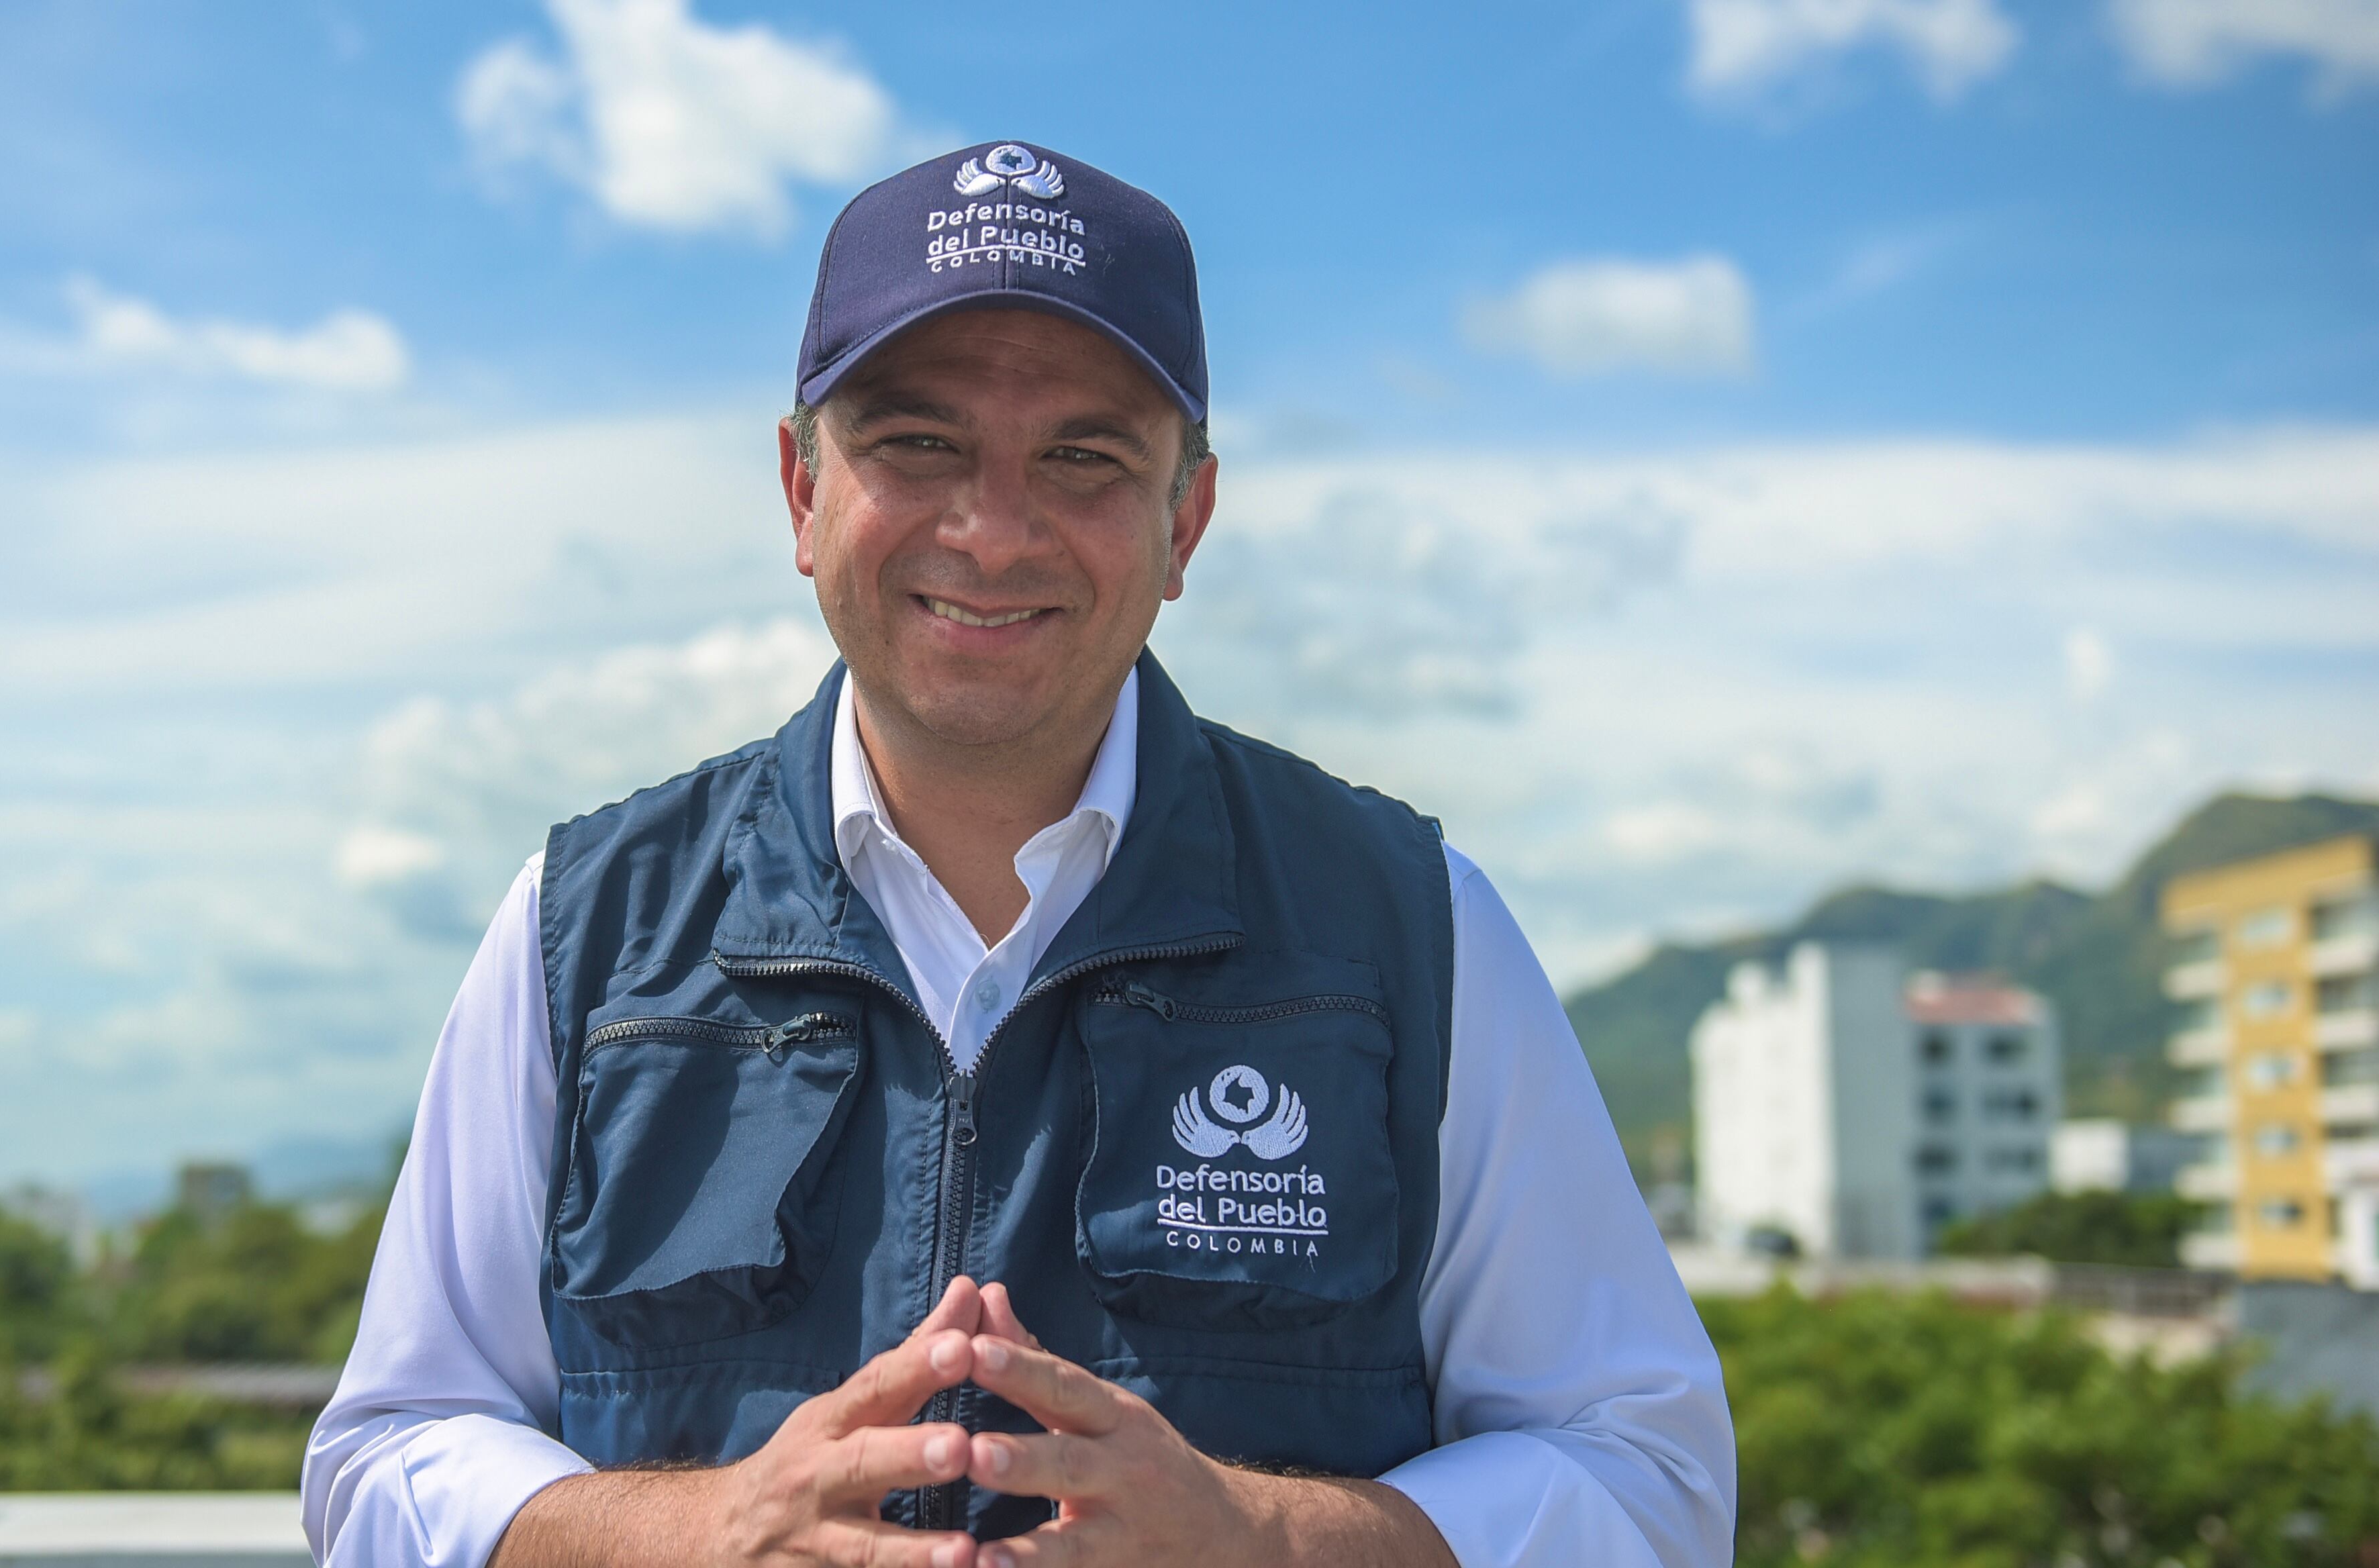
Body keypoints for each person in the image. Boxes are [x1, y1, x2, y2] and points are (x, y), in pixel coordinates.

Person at [302, 140, 1734, 1568]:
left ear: (1186, 518)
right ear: (802, 492)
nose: (990, 531)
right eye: (915, 445)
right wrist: (703, 1529)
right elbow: (385, 1457)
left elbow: (1647, 1480)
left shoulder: (1411, 923)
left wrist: (1263, 1539)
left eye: (1084, 456)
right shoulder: (586, 925)